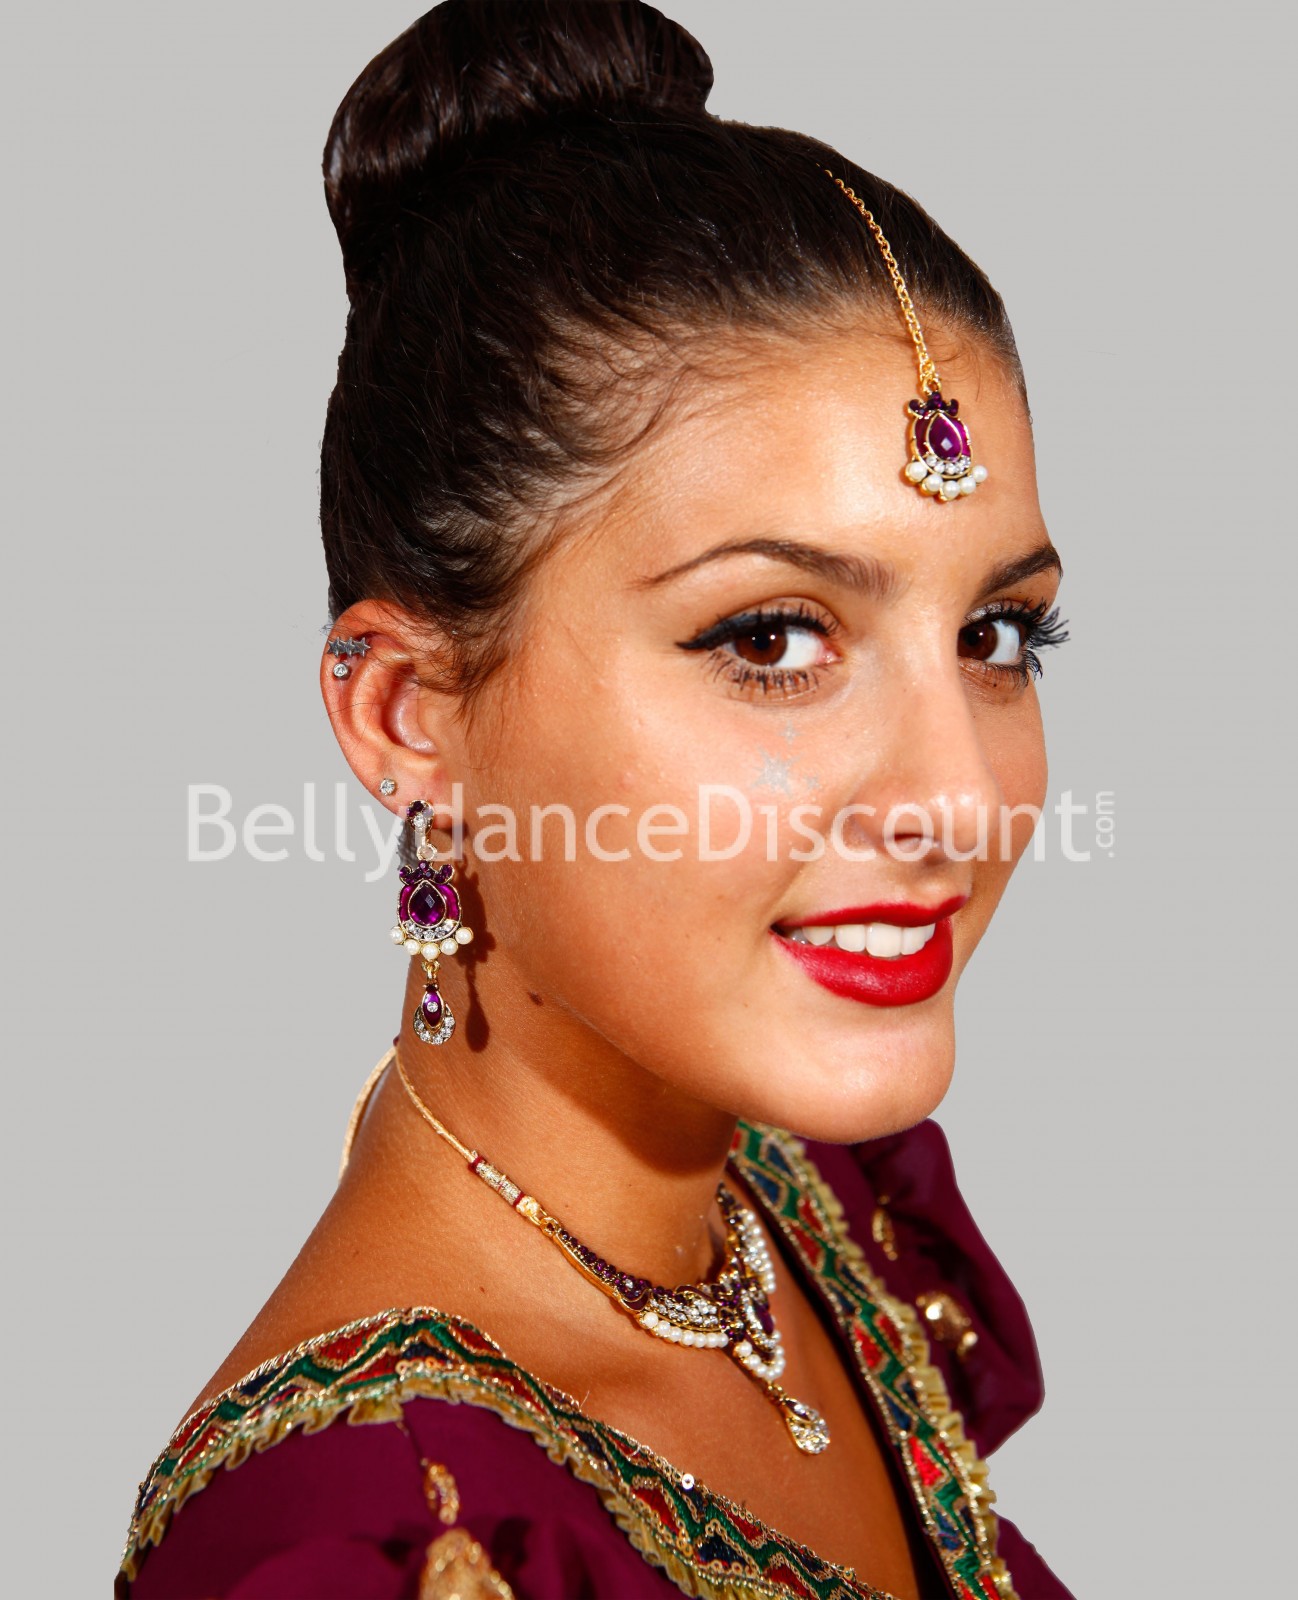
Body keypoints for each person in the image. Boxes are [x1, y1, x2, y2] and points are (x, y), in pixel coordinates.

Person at [118, 3, 1075, 1595]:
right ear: (412, 715)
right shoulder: (393, 1541)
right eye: (770, 639)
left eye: (992, 637)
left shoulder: (801, 1218)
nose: (959, 800)